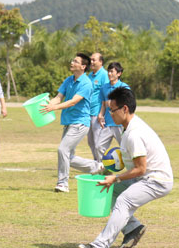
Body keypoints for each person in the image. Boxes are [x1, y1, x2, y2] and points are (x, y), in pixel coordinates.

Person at [78, 87, 174, 248]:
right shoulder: (127, 127)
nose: (109, 114)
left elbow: (140, 168)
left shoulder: (134, 134)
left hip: (156, 180)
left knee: (124, 200)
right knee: (110, 191)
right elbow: (128, 161)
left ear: (124, 109)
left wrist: (115, 178)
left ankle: (100, 247)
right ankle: (133, 229)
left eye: (112, 110)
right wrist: (106, 171)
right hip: (144, 177)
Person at [41, 53, 106, 193]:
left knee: (62, 150)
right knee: (67, 157)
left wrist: (54, 108)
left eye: (75, 61)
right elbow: (58, 97)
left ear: (83, 66)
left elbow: (73, 101)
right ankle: (96, 167)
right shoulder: (68, 80)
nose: (71, 63)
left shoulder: (87, 84)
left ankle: (63, 183)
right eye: (72, 60)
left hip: (80, 123)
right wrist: (48, 104)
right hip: (68, 122)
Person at [96, 62, 130, 159]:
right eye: (108, 71)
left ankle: (132, 171)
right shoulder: (104, 88)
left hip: (120, 124)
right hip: (107, 123)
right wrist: (100, 115)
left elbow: (128, 105)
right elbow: (103, 104)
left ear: (119, 74)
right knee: (99, 147)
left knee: (125, 149)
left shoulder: (124, 87)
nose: (109, 74)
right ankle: (104, 170)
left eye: (112, 71)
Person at [86, 52, 109, 161]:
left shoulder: (104, 75)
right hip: (88, 113)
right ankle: (97, 163)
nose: (91, 62)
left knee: (98, 142)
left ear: (101, 62)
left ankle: (102, 165)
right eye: (91, 60)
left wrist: (102, 113)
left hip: (97, 113)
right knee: (90, 141)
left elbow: (106, 94)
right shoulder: (90, 75)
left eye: (94, 60)